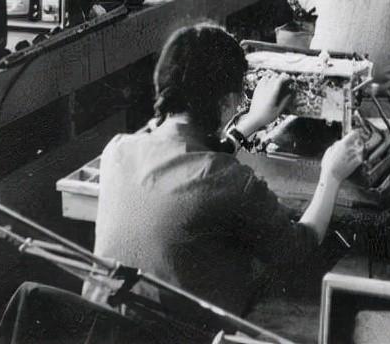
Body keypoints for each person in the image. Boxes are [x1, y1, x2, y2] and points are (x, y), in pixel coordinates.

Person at [89, 24, 365, 317]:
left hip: (108, 323)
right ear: (226, 103)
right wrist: (331, 176)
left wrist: (251, 122)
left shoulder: (117, 150)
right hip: (183, 333)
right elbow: (299, 246)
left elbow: (188, 158)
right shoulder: (230, 179)